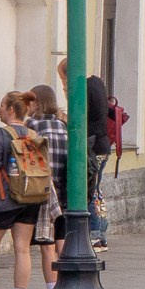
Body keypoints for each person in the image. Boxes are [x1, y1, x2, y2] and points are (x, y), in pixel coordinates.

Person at [0, 91, 41, 289]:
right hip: (30, 198)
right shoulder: (33, 134)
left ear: (10, 110)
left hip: (3, 198)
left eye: (1, 106)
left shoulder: (0, 135)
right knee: (22, 250)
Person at [58, 58, 115, 252]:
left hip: (91, 145)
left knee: (87, 190)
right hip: (102, 144)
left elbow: (77, 119)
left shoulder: (82, 89)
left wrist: (63, 111)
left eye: (62, 79)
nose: (63, 84)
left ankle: (95, 235)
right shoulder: (97, 82)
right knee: (96, 190)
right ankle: (101, 235)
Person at [24, 84, 69, 289]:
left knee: (47, 247)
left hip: (44, 192)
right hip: (65, 193)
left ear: (38, 103)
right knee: (62, 243)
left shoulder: (32, 125)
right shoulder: (63, 125)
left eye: (30, 101)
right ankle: (67, 286)